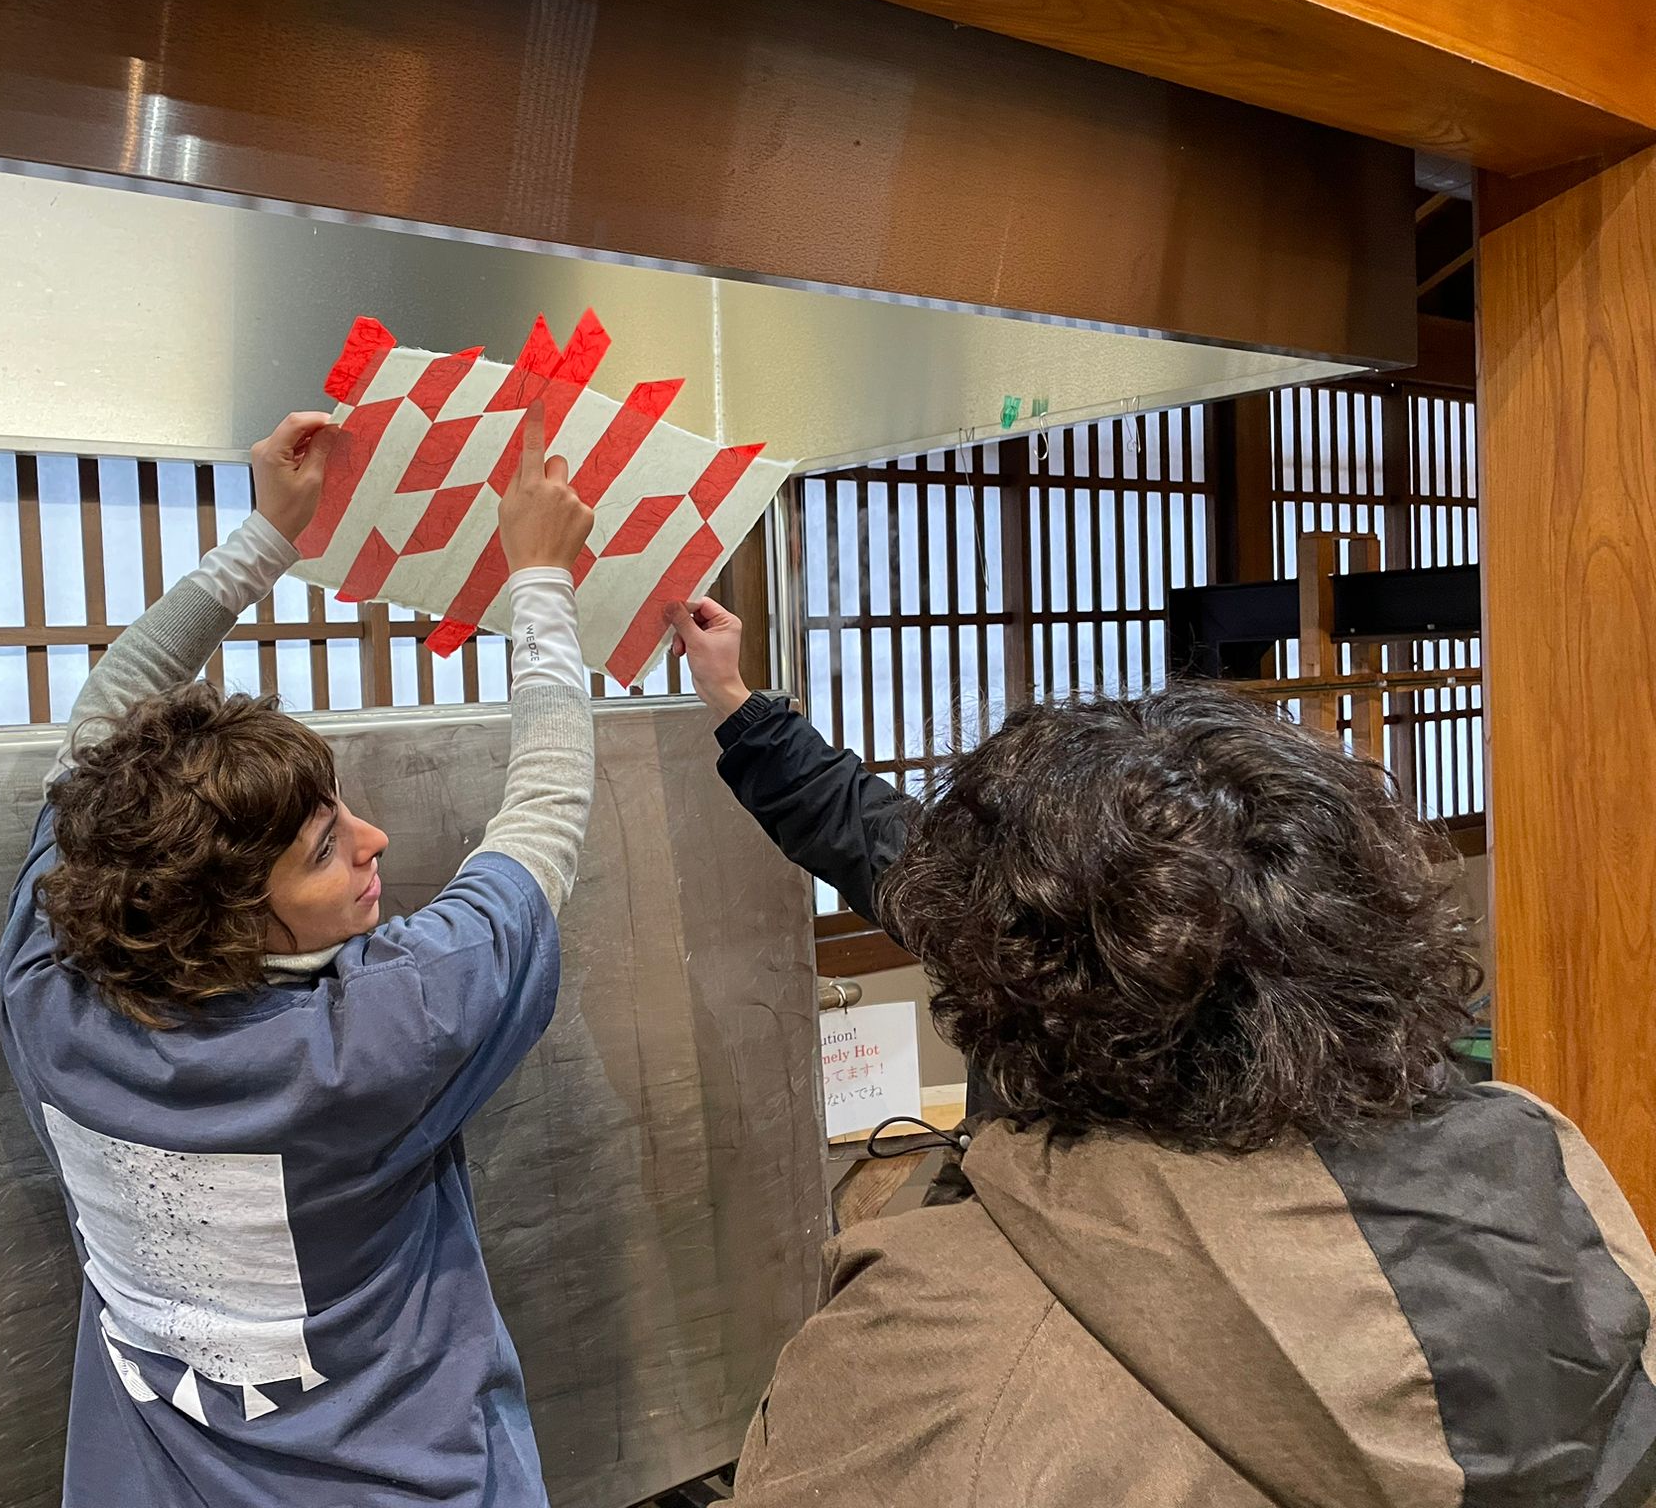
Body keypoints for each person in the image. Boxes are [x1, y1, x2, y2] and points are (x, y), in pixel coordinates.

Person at [667, 596, 1656, 1508]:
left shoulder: (932, 1345)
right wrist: (738, 701)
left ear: (1010, 967)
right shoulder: (1546, 1181)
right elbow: (875, 836)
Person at [0, 406, 594, 1508]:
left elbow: (100, 733)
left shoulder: (48, 993)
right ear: (231, 921)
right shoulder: (385, 1031)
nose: (374, 842)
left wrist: (265, 536)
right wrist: (543, 581)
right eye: (325, 851)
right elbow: (544, 818)